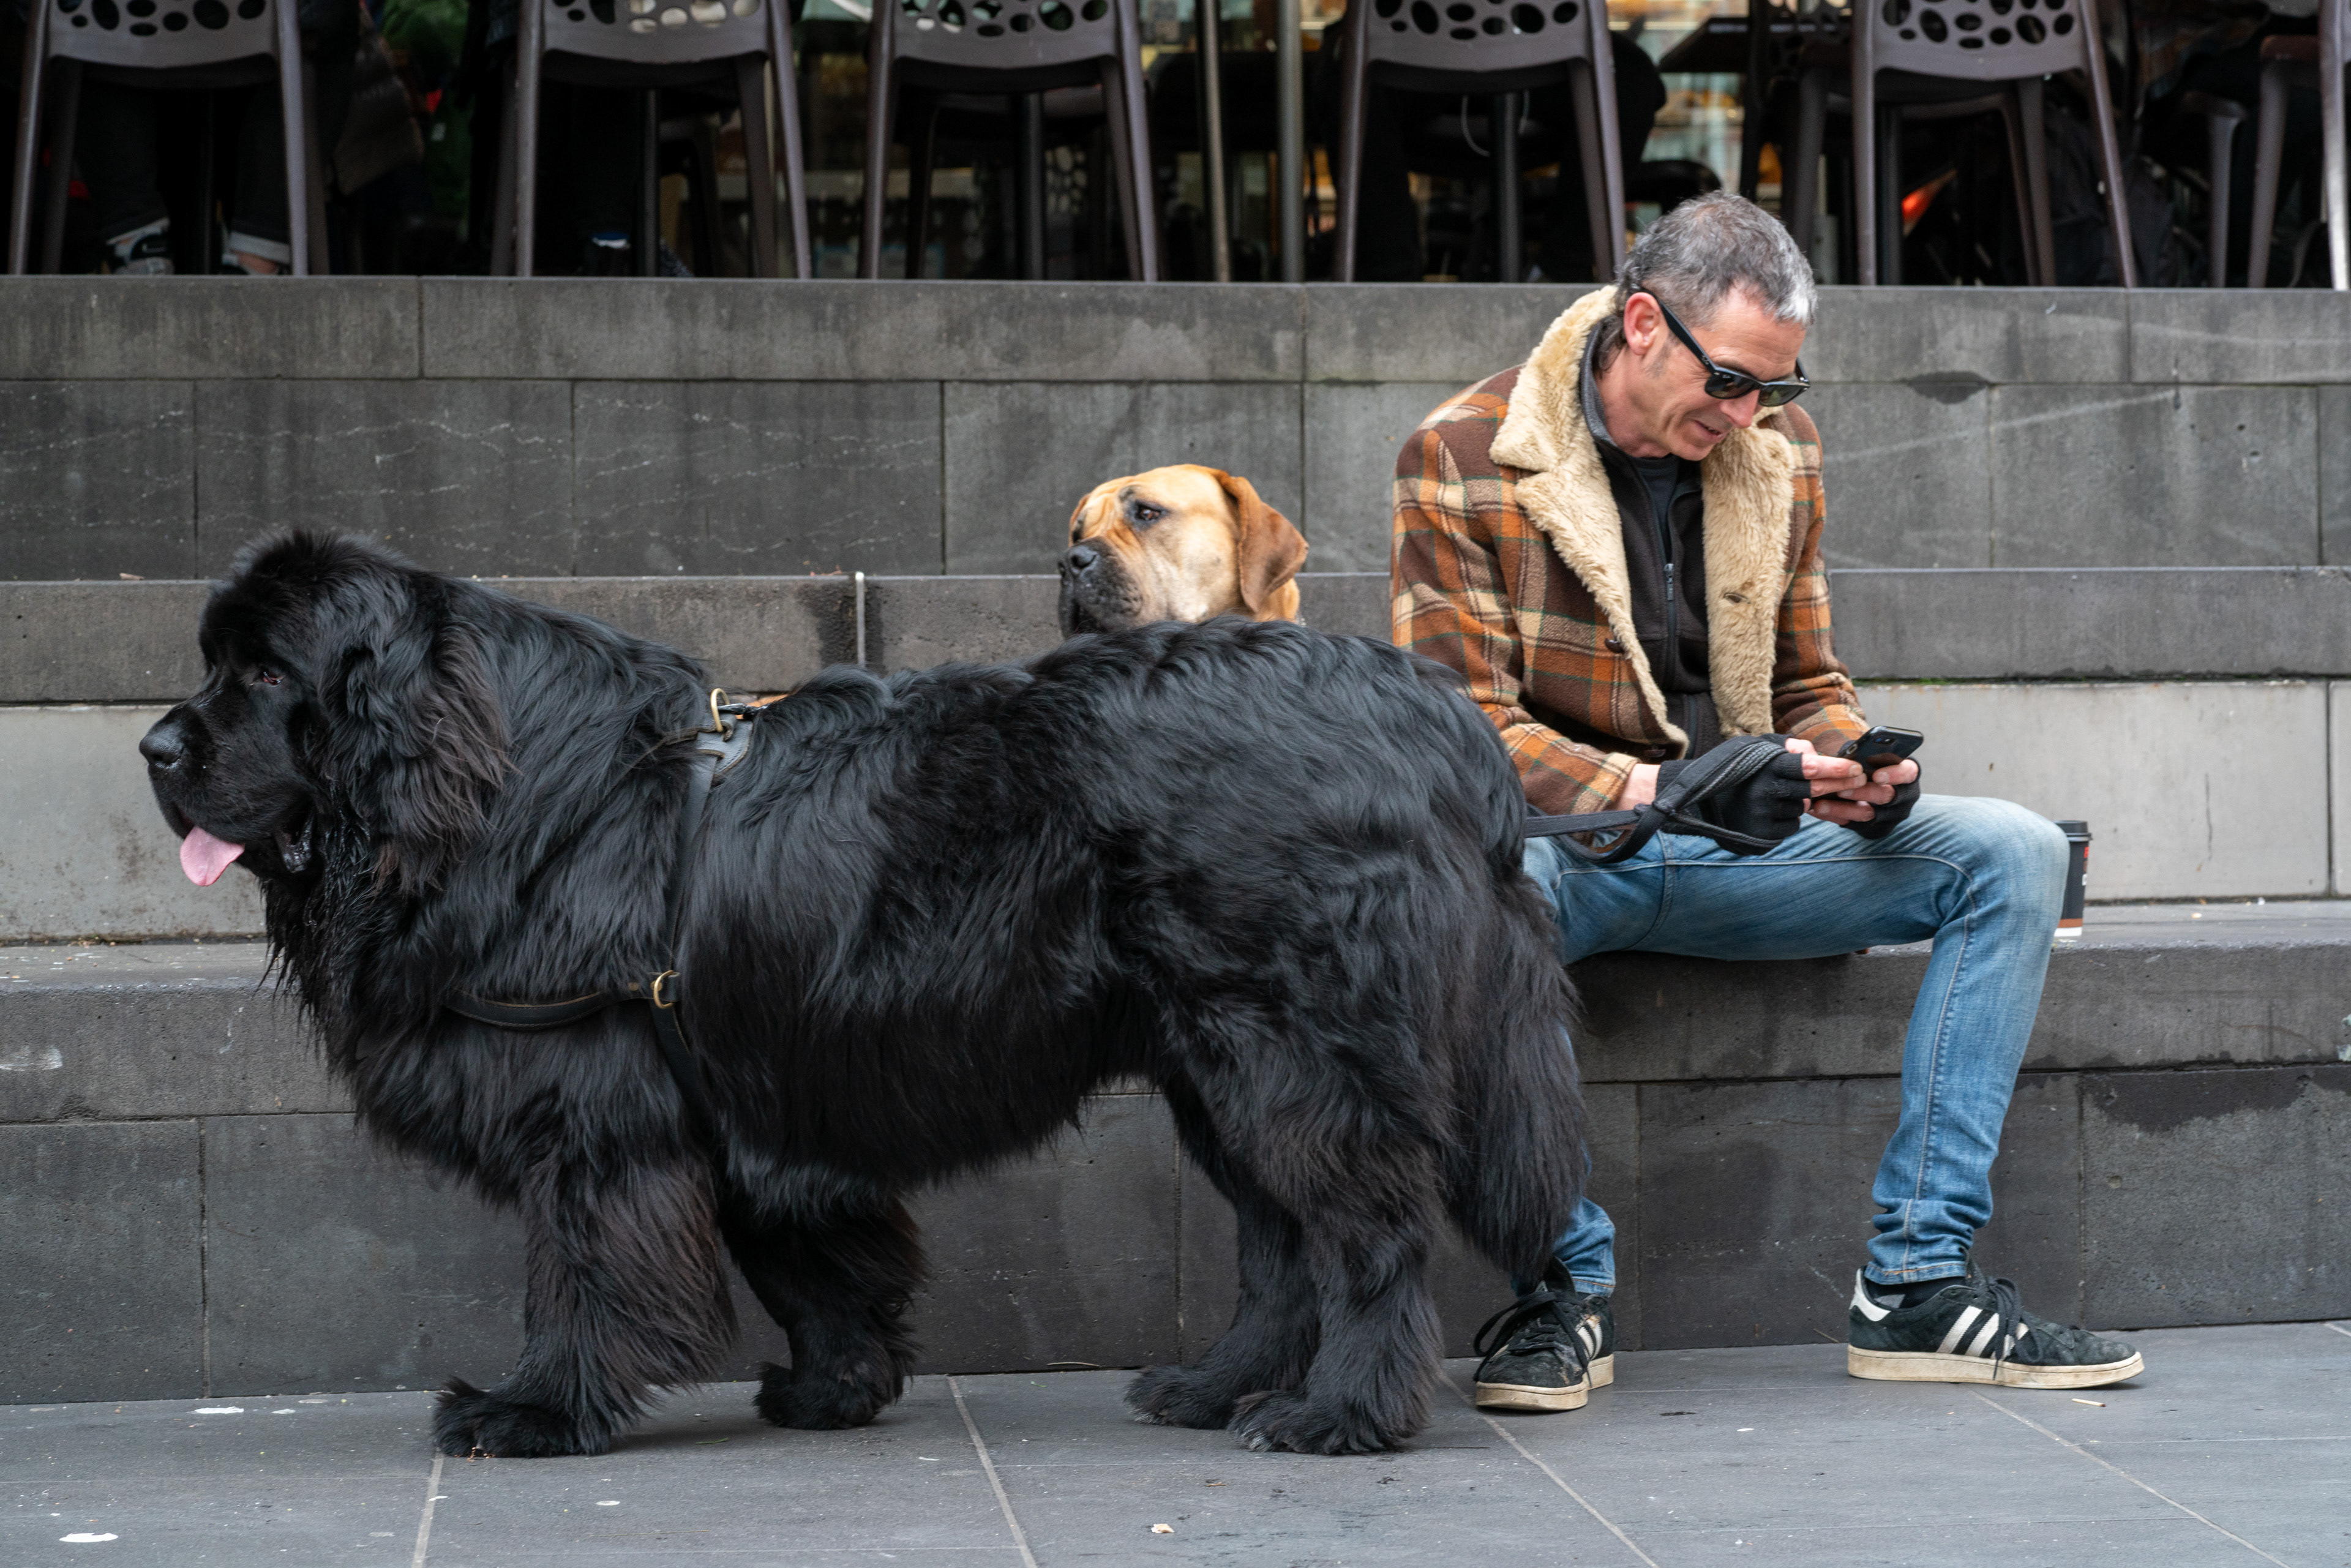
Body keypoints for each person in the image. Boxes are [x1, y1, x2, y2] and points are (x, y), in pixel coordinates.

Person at [1390, 191, 2145, 1411]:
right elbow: (1458, 728)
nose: (1749, 415)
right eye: (1734, 383)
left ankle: (1913, 1287)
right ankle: (1557, 1289)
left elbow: (1807, 683)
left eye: (1774, 391)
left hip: (1743, 840)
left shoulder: (1777, 449)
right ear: (1644, 325)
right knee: (1465, 894)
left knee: (2009, 853)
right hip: (1567, 849)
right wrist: (1657, 785)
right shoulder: (1465, 454)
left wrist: (1854, 765)